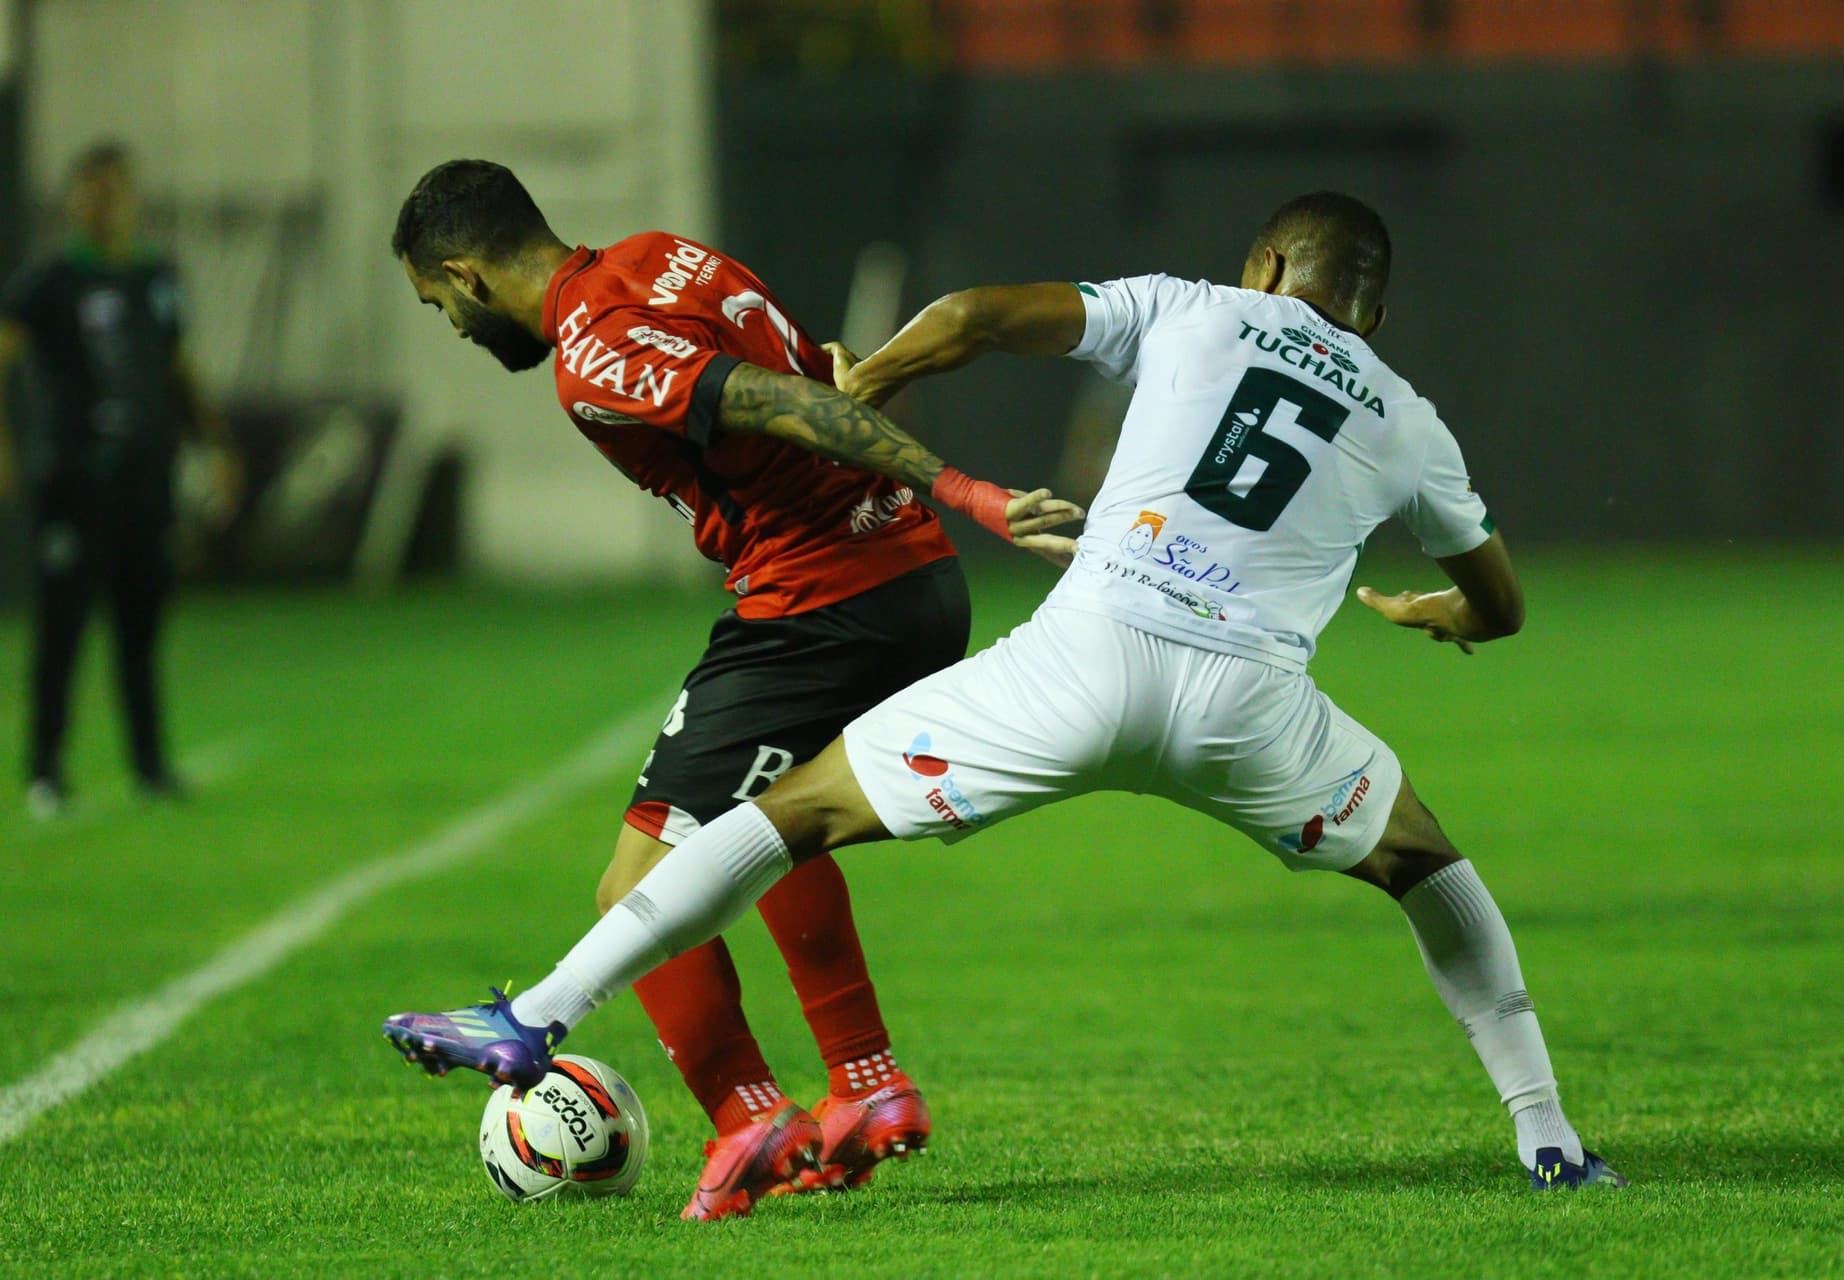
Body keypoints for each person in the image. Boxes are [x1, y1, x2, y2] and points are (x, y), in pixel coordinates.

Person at [384, 191, 1625, 1193]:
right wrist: (1443, 613)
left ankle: (539, 1010)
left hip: (1080, 659)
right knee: (1426, 862)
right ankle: (1547, 1133)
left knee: (791, 816)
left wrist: (864, 381)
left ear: (1266, 264)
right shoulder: (1412, 421)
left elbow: (978, 314)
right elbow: (1502, 602)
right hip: (1248, 708)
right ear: (1374, 310)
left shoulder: (1189, 308)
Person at [382, 160, 1079, 1220]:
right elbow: (825, 367)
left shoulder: (596, 350)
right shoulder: (663, 256)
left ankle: (747, 1117)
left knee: (636, 888)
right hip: (910, 577)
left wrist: (971, 489)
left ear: (468, 276)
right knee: (768, 827)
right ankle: (868, 1082)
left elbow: (793, 399)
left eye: (442, 309)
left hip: (821, 605)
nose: (458, 331)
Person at [0, 142, 235, 820]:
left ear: (131, 200)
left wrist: (216, 442)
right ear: (73, 202)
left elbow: (179, 366)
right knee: (63, 629)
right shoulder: (47, 283)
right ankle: (44, 771)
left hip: (146, 478)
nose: (103, 206)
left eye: (114, 192)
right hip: (74, 479)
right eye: (90, 192)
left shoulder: (156, 278)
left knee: (141, 627)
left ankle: (150, 767)